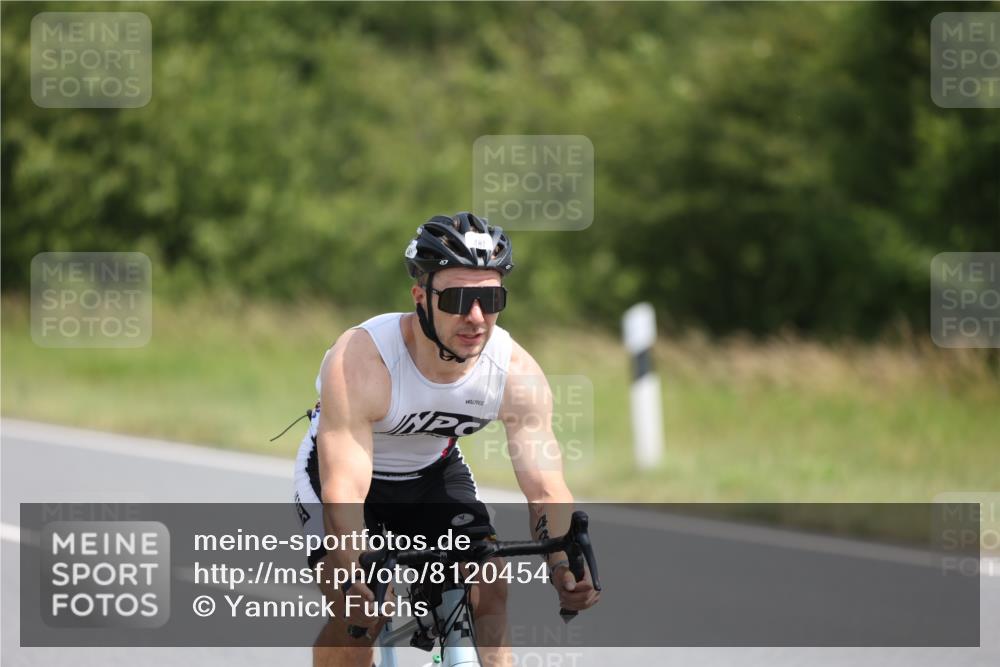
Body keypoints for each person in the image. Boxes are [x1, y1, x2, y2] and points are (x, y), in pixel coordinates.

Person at [293, 212, 599, 667]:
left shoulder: (514, 372)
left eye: (491, 298)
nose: (476, 318)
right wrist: (354, 570)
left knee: (490, 584)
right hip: (345, 478)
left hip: (432, 473)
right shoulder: (363, 360)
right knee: (362, 615)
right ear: (421, 297)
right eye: (457, 298)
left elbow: (546, 487)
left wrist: (562, 565)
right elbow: (346, 489)